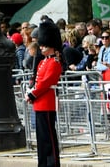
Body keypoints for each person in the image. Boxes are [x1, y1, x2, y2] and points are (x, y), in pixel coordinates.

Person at [27, 19, 63, 167]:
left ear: (51, 46)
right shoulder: (43, 62)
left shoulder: (54, 63)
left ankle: (52, 163)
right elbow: (37, 81)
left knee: (48, 137)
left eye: (44, 45)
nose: (41, 48)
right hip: (39, 103)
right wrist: (31, 92)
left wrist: (32, 94)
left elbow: (45, 83)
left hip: (47, 103)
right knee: (41, 138)